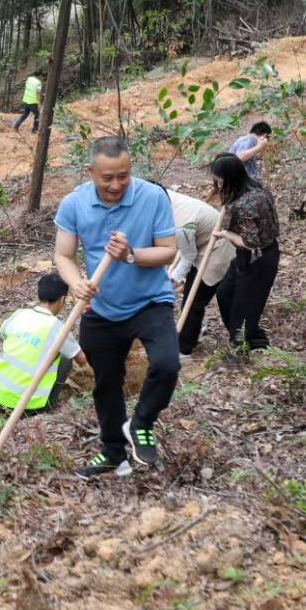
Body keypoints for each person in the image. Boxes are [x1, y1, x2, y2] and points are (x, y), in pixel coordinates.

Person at [53, 136, 180, 478]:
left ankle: (140, 424)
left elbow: (168, 250)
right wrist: (75, 282)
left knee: (167, 364)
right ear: (90, 171)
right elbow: (63, 255)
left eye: (123, 175)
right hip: (101, 308)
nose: (116, 185)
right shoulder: (74, 204)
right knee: (106, 382)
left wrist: (131, 254)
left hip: (150, 301)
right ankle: (113, 453)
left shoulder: (152, 196)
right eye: (107, 177)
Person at [0, 272, 88, 426]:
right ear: (63, 300)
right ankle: (48, 405)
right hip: (28, 403)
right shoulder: (58, 329)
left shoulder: (19, 314)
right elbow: (82, 360)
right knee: (66, 357)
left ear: (39, 295)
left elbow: (4, 334)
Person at [208, 154, 282, 351]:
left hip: (258, 259)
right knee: (224, 293)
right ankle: (248, 336)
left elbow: (250, 243)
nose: (217, 184)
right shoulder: (256, 186)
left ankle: (243, 346)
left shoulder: (245, 204)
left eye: (220, 180)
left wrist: (225, 234)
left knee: (245, 309)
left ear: (231, 178)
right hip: (248, 257)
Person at [165, 187, 234, 357]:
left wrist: (174, 278)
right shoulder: (167, 197)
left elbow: (188, 256)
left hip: (218, 249)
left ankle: (184, 346)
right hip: (202, 243)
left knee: (194, 298)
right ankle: (195, 331)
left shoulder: (181, 222)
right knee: (194, 294)